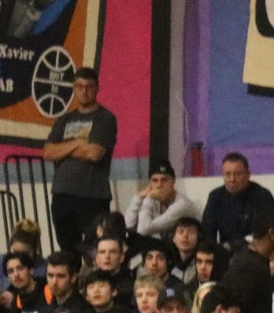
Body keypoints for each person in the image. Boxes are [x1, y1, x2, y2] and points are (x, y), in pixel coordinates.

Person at [43, 67, 116, 252]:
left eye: (89, 86)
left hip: (93, 195)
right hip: (62, 194)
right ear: (74, 89)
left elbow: (95, 154)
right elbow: (48, 152)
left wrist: (63, 149)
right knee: (67, 251)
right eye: (80, 86)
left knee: (96, 249)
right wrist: (78, 143)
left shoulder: (105, 118)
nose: (84, 91)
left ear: (97, 88)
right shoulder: (64, 119)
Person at [200, 153, 274, 251]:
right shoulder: (216, 196)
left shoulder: (262, 196)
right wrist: (212, 251)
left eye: (237, 174)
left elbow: (261, 233)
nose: (232, 179)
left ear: (248, 174)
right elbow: (207, 230)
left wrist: (232, 246)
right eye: (227, 174)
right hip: (224, 252)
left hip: (253, 251)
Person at [125, 158, 200, 240]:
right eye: (155, 180)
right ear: (150, 184)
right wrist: (138, 197)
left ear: (173, 182)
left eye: (164, 180)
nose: (159, 185)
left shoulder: (182, 205)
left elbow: (143, 231)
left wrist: (149, 198)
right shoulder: (155, 200)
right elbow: (128, 227)